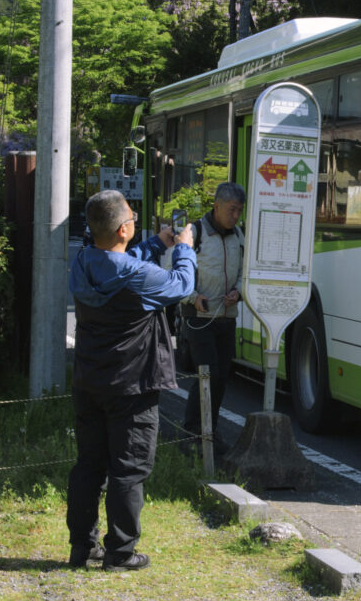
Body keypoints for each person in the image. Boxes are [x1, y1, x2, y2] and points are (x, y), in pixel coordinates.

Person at [67, 189, 196, 572]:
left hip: (89, 380)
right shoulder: (140, 277)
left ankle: (81, 548)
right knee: (128, 469)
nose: (136, 227)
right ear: (124, 229)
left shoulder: (82, 262)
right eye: (134, 223)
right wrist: (183, 248)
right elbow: (181, 286)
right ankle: (121, 553)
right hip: (132, 386)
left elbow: (118, 263)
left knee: (89, 465)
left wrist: (156, 242)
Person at [179, 182, 246, 452]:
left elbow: (245, 273)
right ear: (217, 206)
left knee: (220, 377)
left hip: (226, 317)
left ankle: (210, 431)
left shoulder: (239, 235)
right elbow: (173, 274)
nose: (236, 216)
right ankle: (194, 432)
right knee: (207, 374)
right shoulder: (194, 232)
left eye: (240, 211)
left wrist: (238, 293)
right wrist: (193, 297)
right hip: (198, 316)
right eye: (232, 210)